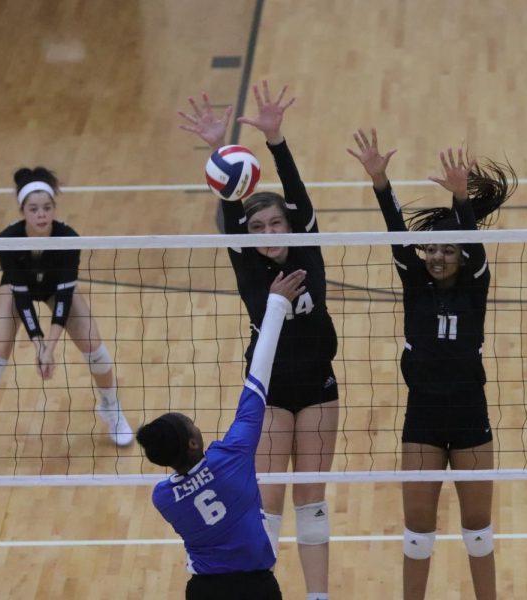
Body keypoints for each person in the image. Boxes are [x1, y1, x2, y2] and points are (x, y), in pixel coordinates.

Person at [179, 82, 336, 600]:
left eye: (277, 222)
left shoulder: (306, 248)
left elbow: (298, 192)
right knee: (267, 501)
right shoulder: (246, 260)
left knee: (311, 502)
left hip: (317, 388)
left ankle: (318, 597)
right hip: (267, 393)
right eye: (259, 225)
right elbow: (229, 203)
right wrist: (216, 149)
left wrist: (275, 139)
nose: (269, 231)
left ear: (291, 225)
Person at [348, 128, 515, 600]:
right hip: (421, 420)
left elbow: (473, 245)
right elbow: (397, 235)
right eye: (433, 249)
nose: (438, 256)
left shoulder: (474, 284)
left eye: (448, 249)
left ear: (462, 255)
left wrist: (461, 197)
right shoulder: (415, 282)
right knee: (418, 534)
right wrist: (381, 182)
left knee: (478, 531)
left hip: (469, 419)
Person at [137, 269, 306, 600]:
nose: (195, 424)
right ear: (193, 441)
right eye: (190, 423)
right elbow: (258, 379)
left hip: (204, 591)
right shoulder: (233, 456)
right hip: (257, 587)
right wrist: (275, 306)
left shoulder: (163, 498)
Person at [0, 167, 133, 465]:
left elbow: (64, 295)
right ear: (23, 210)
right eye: (34, 209)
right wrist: (38, 345)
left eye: (47, 208)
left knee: (92, 343)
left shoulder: (67, 238)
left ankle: (111, 409)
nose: (41, 215)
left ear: (54, 209)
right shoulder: (9, 240)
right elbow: (21, 296)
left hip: (56, 288)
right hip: (18, 289)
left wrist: (50, 348)